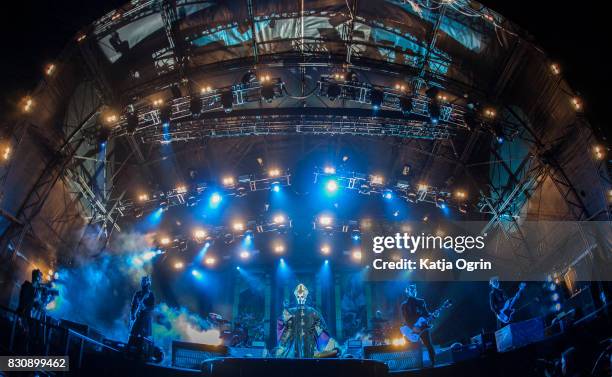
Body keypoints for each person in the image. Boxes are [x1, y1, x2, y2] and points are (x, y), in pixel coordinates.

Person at [276, 284, 339, 358]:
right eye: (298, 297)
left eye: (302, 296)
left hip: (310, 343)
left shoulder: (313, 311)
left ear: (305, 297)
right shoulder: (290, 311)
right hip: (293, 345)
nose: (300, 299)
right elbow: (283, 326)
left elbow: (321, 329)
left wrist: (323, 341)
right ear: (296, 297)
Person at [400, 284, 436, 367]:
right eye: (411, 290)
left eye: (414, 290)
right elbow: (406, 319)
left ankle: (433, 363)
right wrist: (413, 328)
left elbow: (426, 314)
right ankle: (414, 365)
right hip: (412, 329)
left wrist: (433, 315)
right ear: (407, 292)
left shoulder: (421, 301)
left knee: (429, 344)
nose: (413, 291)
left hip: (423, 327)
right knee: (413, 347)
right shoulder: (404, 305)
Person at [128, 276, 155, 345]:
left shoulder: (150, 294)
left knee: (144, 339)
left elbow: (152, 307)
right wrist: (132, 316)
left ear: (148, 283)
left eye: (144, 281)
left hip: (145, 319)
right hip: (137, 318)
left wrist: (145, 308)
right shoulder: (137, 293)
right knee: (132, 335)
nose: (142, 282)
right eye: (142, 281)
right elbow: (133, 306)